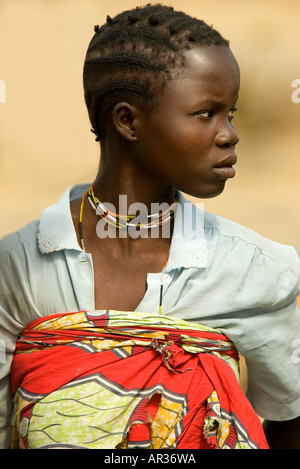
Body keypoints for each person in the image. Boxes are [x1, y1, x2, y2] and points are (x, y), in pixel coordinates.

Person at [0, 4, 299, 450]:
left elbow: (290, 415)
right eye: (205, 113)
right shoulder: (20, 267)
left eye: (231, 113)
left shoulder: (256, 270)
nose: (230, 134)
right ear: (127, 121)